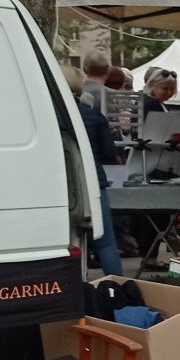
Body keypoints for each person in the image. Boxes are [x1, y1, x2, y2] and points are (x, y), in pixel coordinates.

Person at [64, 66, 124, 277]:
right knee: (106, 242)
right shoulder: (92, 113)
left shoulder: (50, 114)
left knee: (65, 241)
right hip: (93, 182)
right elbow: (109, 152)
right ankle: (117, 289)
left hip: (62, 185)